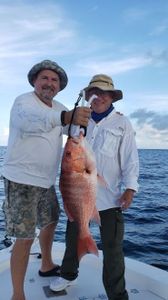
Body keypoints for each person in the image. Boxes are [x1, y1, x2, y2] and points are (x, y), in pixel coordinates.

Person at [1, 59, 91, 300]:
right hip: (21, 182)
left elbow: (71, 129)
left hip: (47, 182)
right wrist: (67, 116)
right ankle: (17, 294)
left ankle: (47, 264)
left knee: (51, 222)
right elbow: (32, 121)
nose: (49, 83)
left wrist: (88, 120)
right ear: (34, 82)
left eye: (54, 80)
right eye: (45, 78)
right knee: (25, 237)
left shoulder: (59, 106)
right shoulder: (23, 102)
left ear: (59, 87)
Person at [50, 74, 139, 300]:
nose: (98, 96)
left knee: (113, 249)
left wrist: (130, 188)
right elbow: (67, 154)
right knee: (72, 238)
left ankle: (117, 294)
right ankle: (68, 274)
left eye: (103, 93)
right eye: (94, 92)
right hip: (78, 193)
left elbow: (130, 158)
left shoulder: (122, 123)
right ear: (88, 96)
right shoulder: (79, 120)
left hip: (110, 198)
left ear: (111, 97)